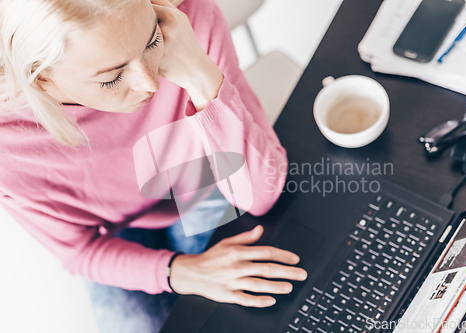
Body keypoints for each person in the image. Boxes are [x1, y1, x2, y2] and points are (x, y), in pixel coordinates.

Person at [0, 0, 307, 332]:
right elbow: (80, 251)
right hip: (113, 230)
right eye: (112, 78)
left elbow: (262, 194)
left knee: (257, 309)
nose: (150, 84)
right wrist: (182, 271)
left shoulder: (185, 16)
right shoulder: (9, 143)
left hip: (197, 180)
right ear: (41, 78)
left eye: (152, 42)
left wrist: (198, 73)